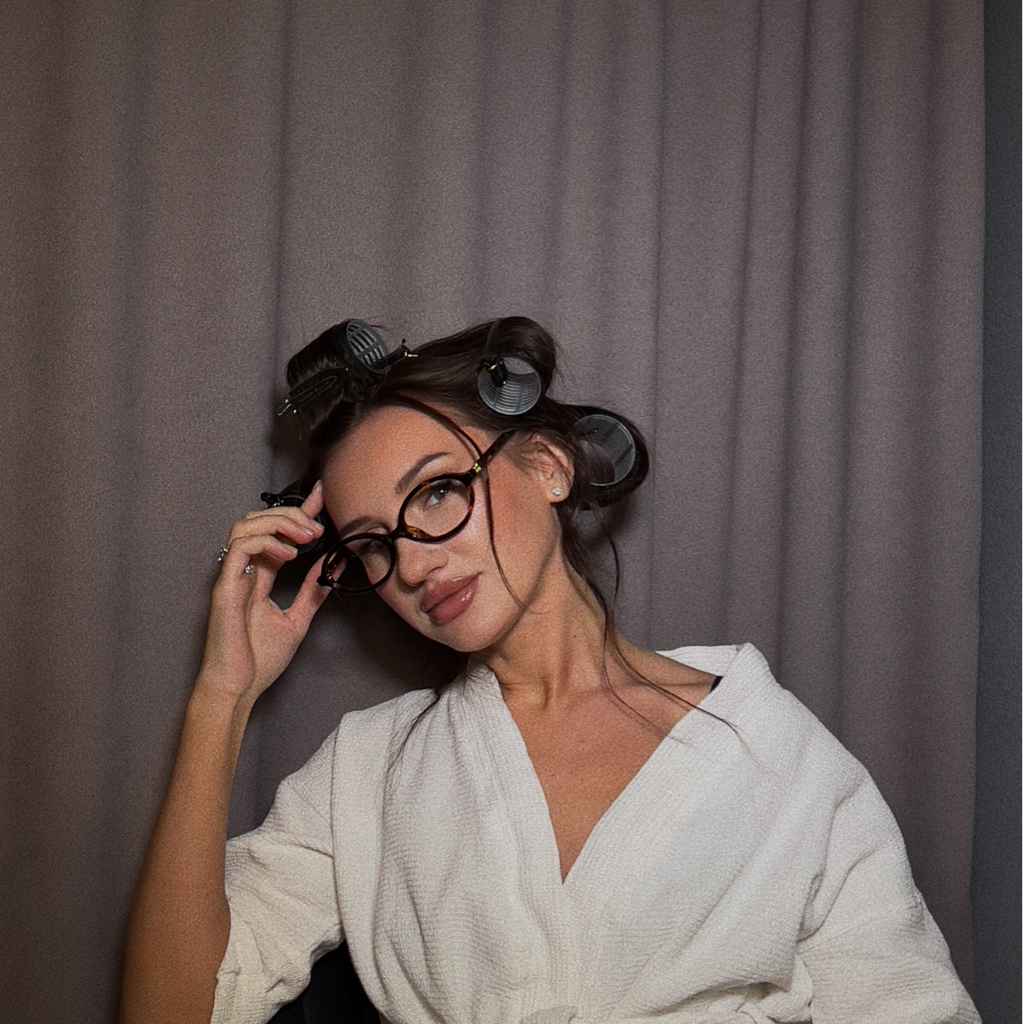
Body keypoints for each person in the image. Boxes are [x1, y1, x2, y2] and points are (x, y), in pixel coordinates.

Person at [121, 318, 980, 1024]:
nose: (412, 565)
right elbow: (170, 1013)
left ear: (546, 467)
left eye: (436, 493)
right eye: (373, 545)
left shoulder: (776, 754)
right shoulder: (366, 772)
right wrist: (222, 695)